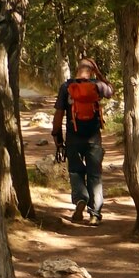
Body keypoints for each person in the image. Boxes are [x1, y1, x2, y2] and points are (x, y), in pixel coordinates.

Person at [52, 57, 114, 224]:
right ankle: (95, 214)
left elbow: (59, 113)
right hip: (93, 138)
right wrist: (100, 75)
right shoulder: (98, 86)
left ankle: (80, 198)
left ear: (77, 70)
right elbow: (111, 91)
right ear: (92, 71)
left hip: (73, 137)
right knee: (95, 174)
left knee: (75, 171)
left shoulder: (66, 87)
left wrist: (56, 135)